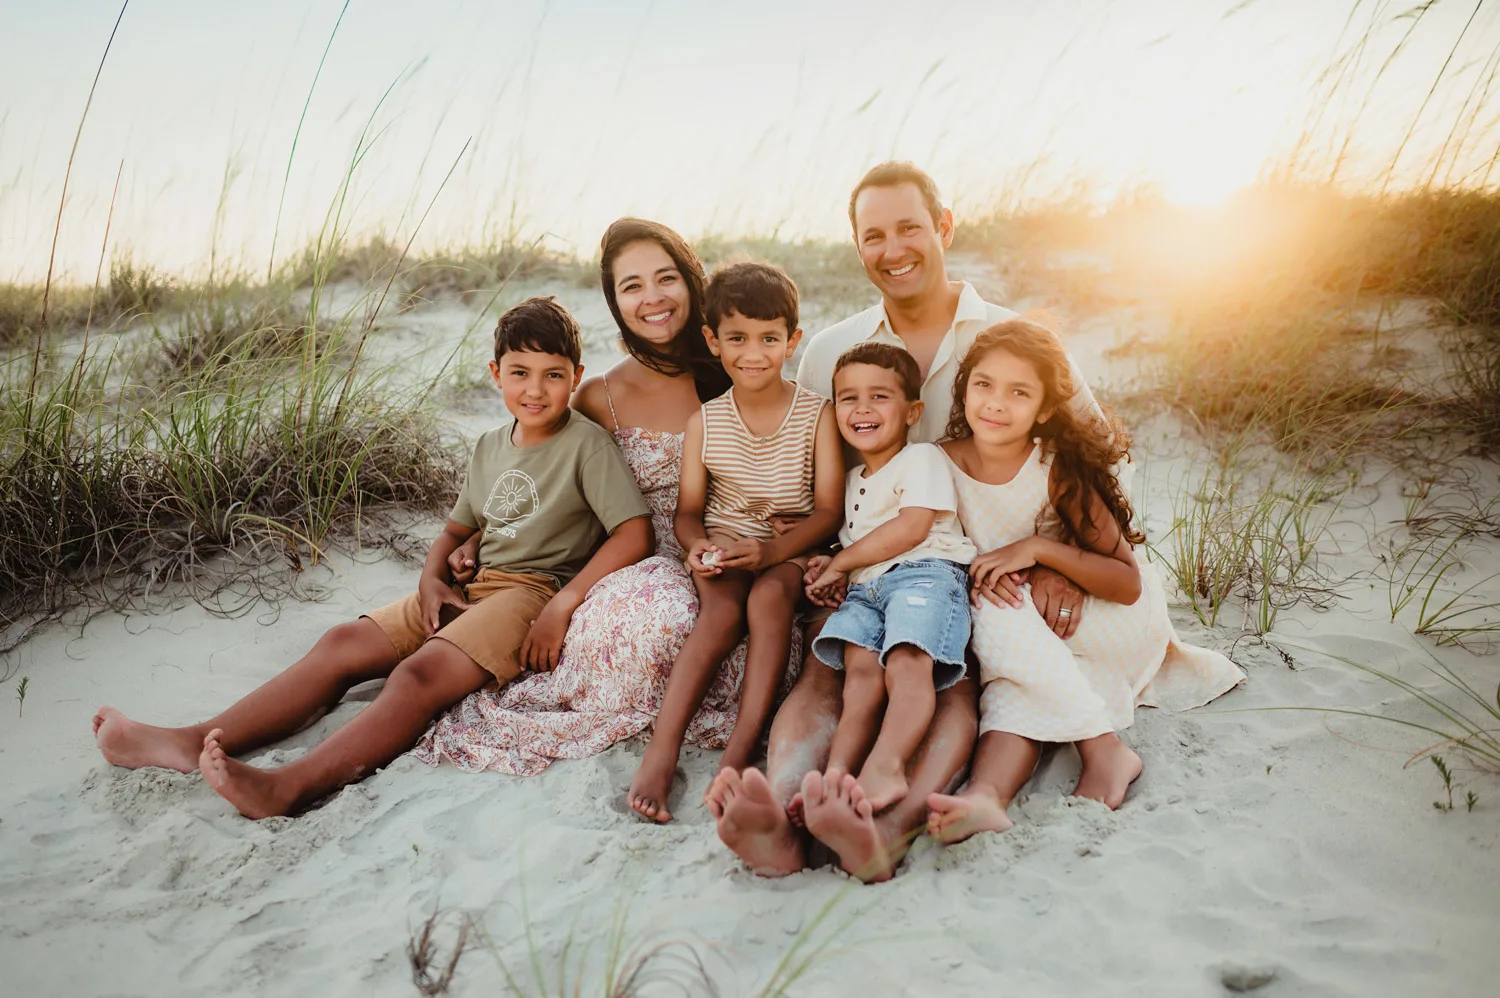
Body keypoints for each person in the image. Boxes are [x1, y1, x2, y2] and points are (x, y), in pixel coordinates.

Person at [706, 160, 1113, 882]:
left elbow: (1096, 458)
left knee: (943, 680)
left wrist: (1051, 556)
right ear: (857, 245)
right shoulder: (833, 350)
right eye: (873, 235)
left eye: (909, 228)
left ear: (944, 228)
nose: (893, 249)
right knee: (829, 673)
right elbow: (807, 470)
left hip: (975, 572)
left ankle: (886, 827)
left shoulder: (1011, 338)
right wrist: (805, 556)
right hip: (861, 563)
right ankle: (790, 813)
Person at [91, 298, 654, 817]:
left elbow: (633, 533)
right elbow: (457, 529)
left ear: (575, 378)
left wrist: (562, 606)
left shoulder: (586, 445)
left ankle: (290, 785)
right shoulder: (489, 446)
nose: (536, 390)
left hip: (529, 594)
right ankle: (195, 739)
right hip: (473, 585)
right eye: (520, 373)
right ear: (495, 375)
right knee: (341, 643)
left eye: (553, 375)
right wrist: (433, 579)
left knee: (417, 673)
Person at [413, 219, 797, 779]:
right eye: (631, 286)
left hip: (736, 550)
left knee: (740, 623)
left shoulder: (743, 362)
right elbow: (549, 469)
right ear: (616, 303)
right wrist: (474, 533)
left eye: (666, 279)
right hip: (640, 560)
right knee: (655, 622)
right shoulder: (599, 395)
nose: (653, 298)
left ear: (692, 281)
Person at [927, 320, 1245, 842]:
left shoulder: (1056, 468)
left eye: (1019, 392)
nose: (995, 403)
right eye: (983, 384)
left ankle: (1102, 749)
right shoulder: (939, 463)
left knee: (995, 607)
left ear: (1045, 409)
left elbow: (1125, 582)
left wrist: (1038, 550)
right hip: (1024, 632)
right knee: (1009, 679)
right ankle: (986, 794)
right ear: (963, 389)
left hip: (1104, 617)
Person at [627, 261, 844, 822]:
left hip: (787, 553)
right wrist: (698, 546)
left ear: (792, 342)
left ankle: (741, 749)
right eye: (738, 338)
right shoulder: (708, 421)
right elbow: (688, 513)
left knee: (769, 601)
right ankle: (662, 749)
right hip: (724, 545)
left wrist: (773, 553)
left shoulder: (814, 416)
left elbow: (829, 511)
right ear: (713, 341)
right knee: (721, 614)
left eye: (770, 338)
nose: (754, 353)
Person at [802, 343, 976, 813]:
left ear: (912, 410)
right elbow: (857, 544)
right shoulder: (851, 478)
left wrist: (841, 562)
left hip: (925, 576)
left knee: (906, 662)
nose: (861, 409)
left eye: (879, 396)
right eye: (848, 398)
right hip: (866, 590)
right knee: (859, 677)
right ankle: (839, 770)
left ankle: (888, 764)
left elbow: (911, 526)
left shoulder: (922, 458)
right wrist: (832, 561)